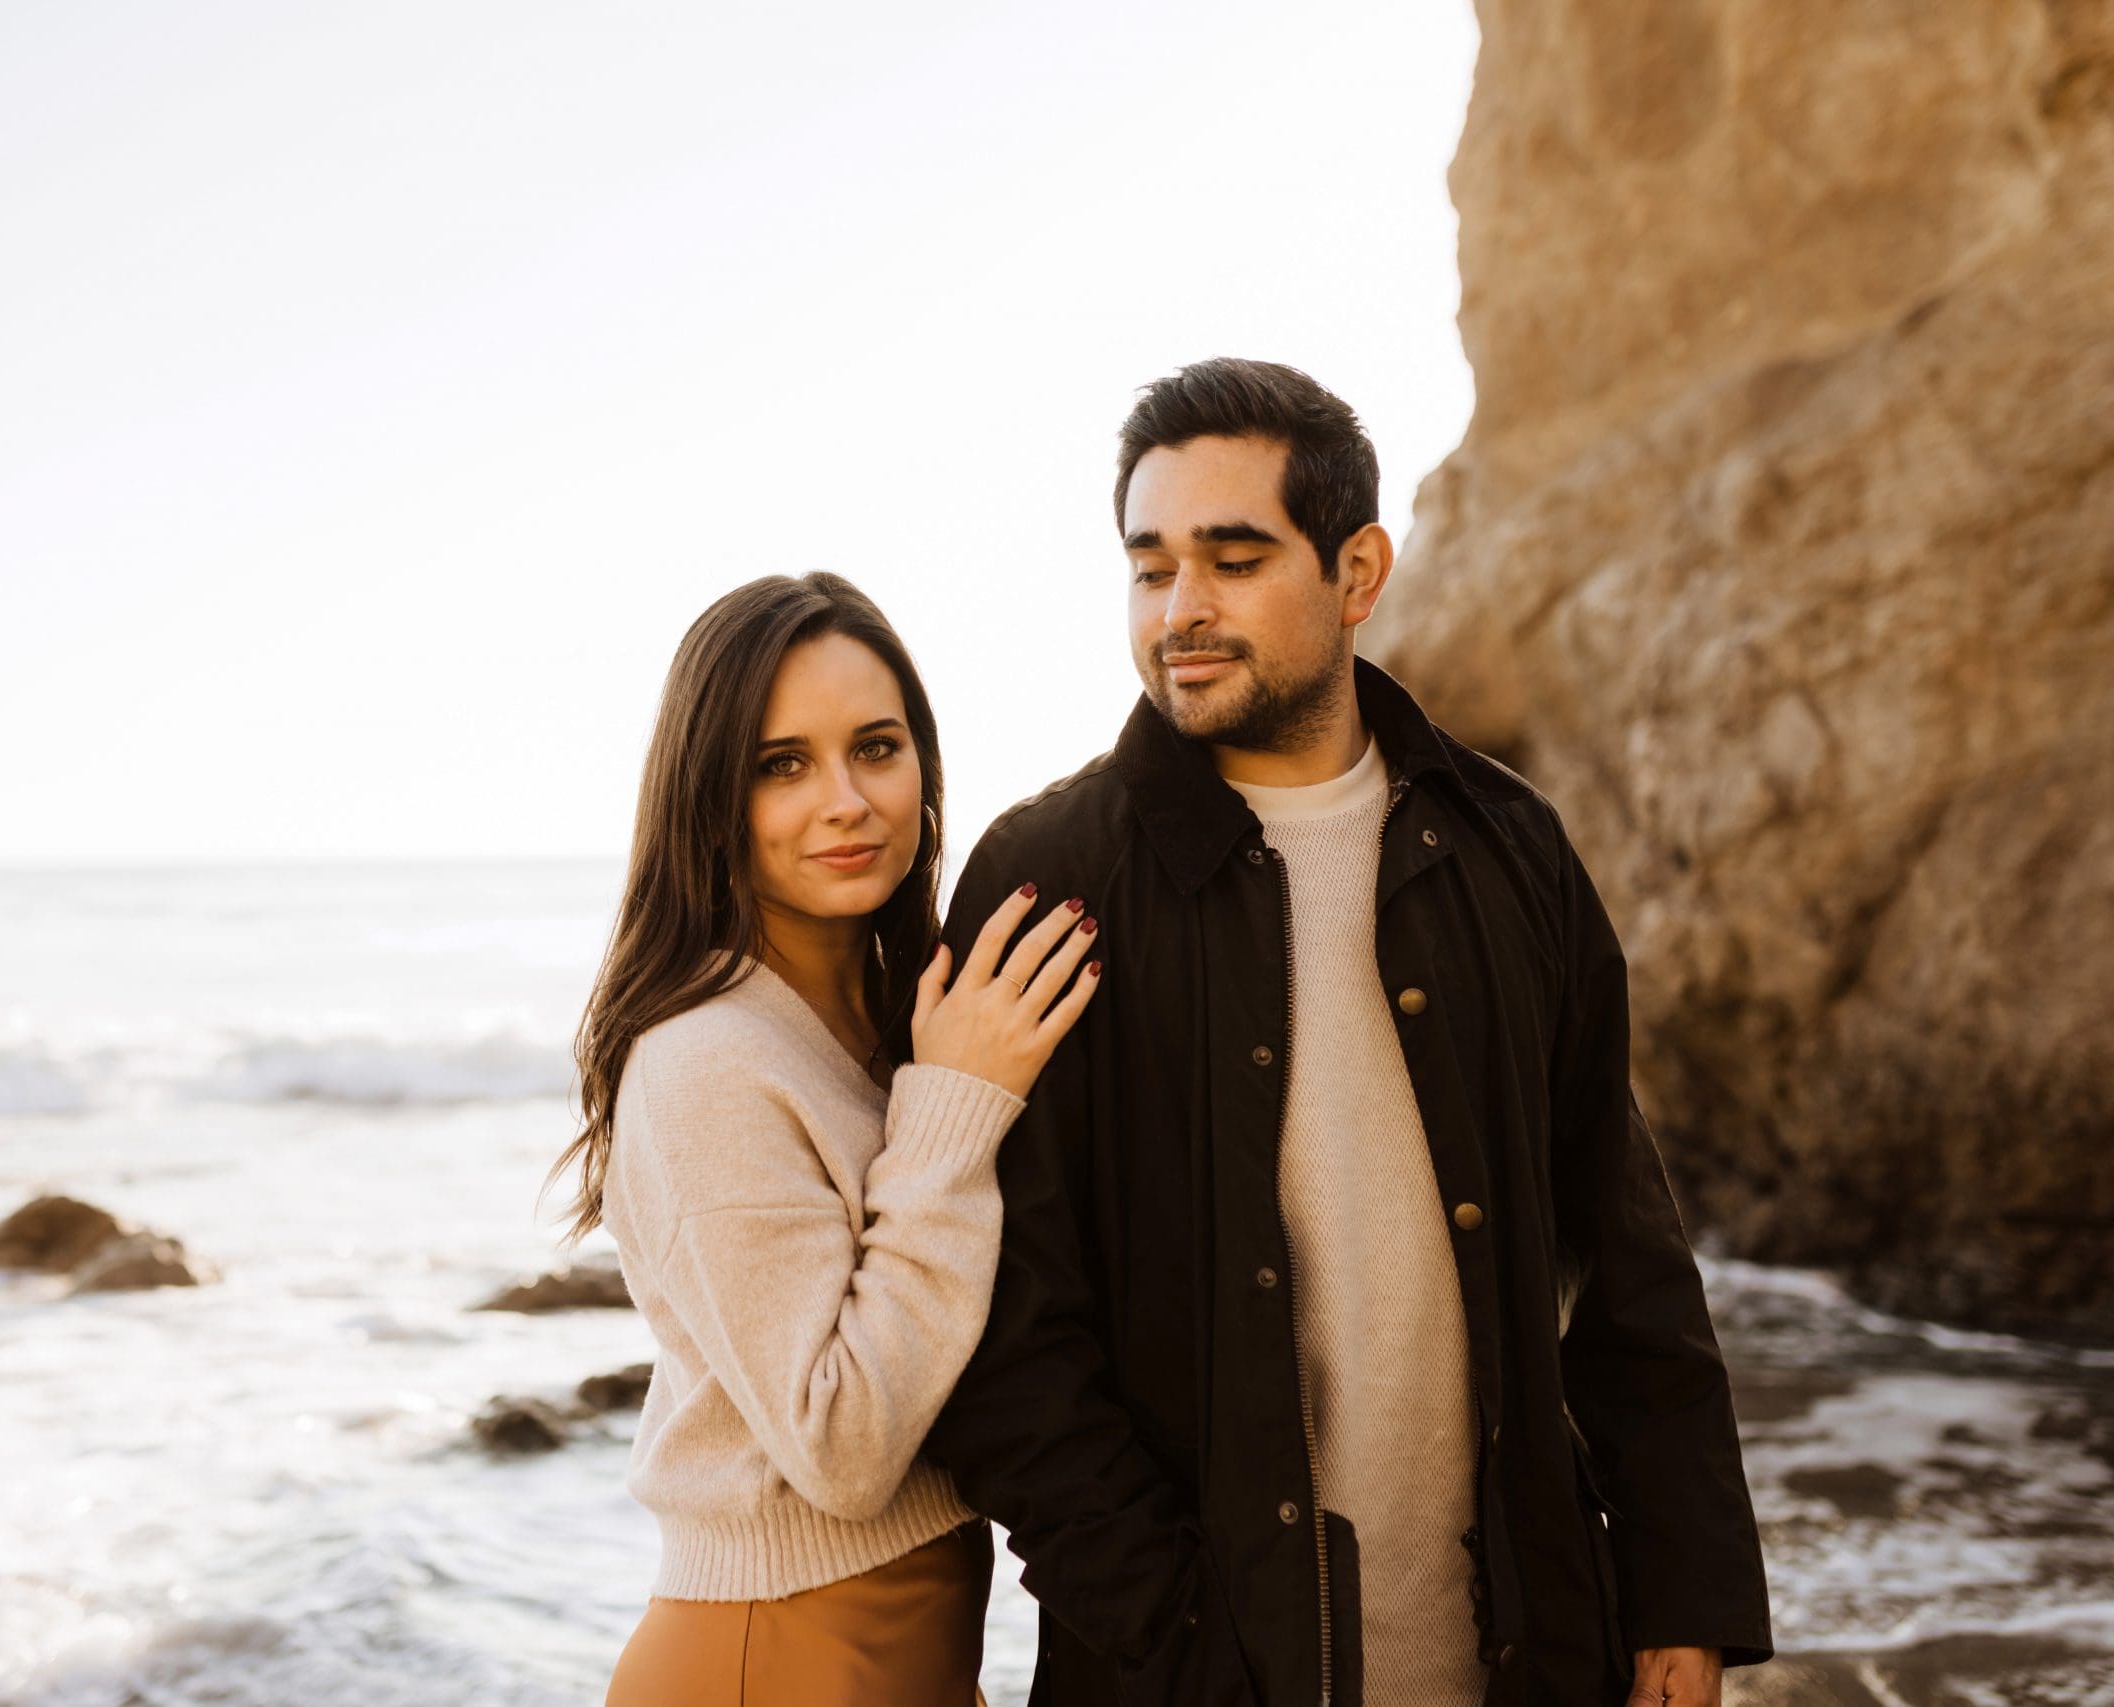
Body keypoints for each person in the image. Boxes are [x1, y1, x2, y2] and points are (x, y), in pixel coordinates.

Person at [924, 359, 1773, 1707]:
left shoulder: (1508, 846)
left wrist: (1683, 1588)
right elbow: (1005, 1328)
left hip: (1522, 1650)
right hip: (1189, 1668)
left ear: (1357, 570)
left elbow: (1625, 1255)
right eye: (1150, 566)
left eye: (1234, 556)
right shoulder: (1052, 874)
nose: (1181, 607)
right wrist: (1180, 1636)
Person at [550, 571, 1104, 1707]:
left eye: (877, 748)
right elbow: (841, 1447)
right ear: (708, 796)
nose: (845, 800)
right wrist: (953, 1111)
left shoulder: (887, 1023)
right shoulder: (707, 1059)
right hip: (776, 1658)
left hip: (902, 1650)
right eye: (782, 765)